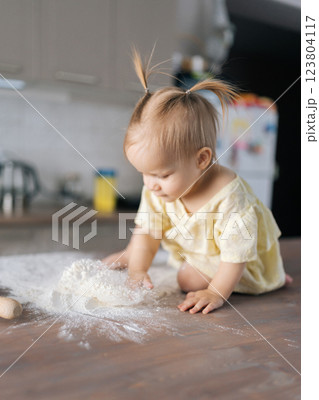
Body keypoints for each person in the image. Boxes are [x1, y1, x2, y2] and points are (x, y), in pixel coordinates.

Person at [103, 48, 293, 315]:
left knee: (187, 278)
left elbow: (236, 255)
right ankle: (130, 255)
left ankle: (269, 278)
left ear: (202, 159)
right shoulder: (158, 188)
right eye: (144, 173)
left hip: (239, 263)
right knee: (139, 244)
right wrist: (137, 270)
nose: (151, 184)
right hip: (201, 252)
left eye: (162, 175)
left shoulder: (230, 198)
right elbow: (148, 231)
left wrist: (215, 292)